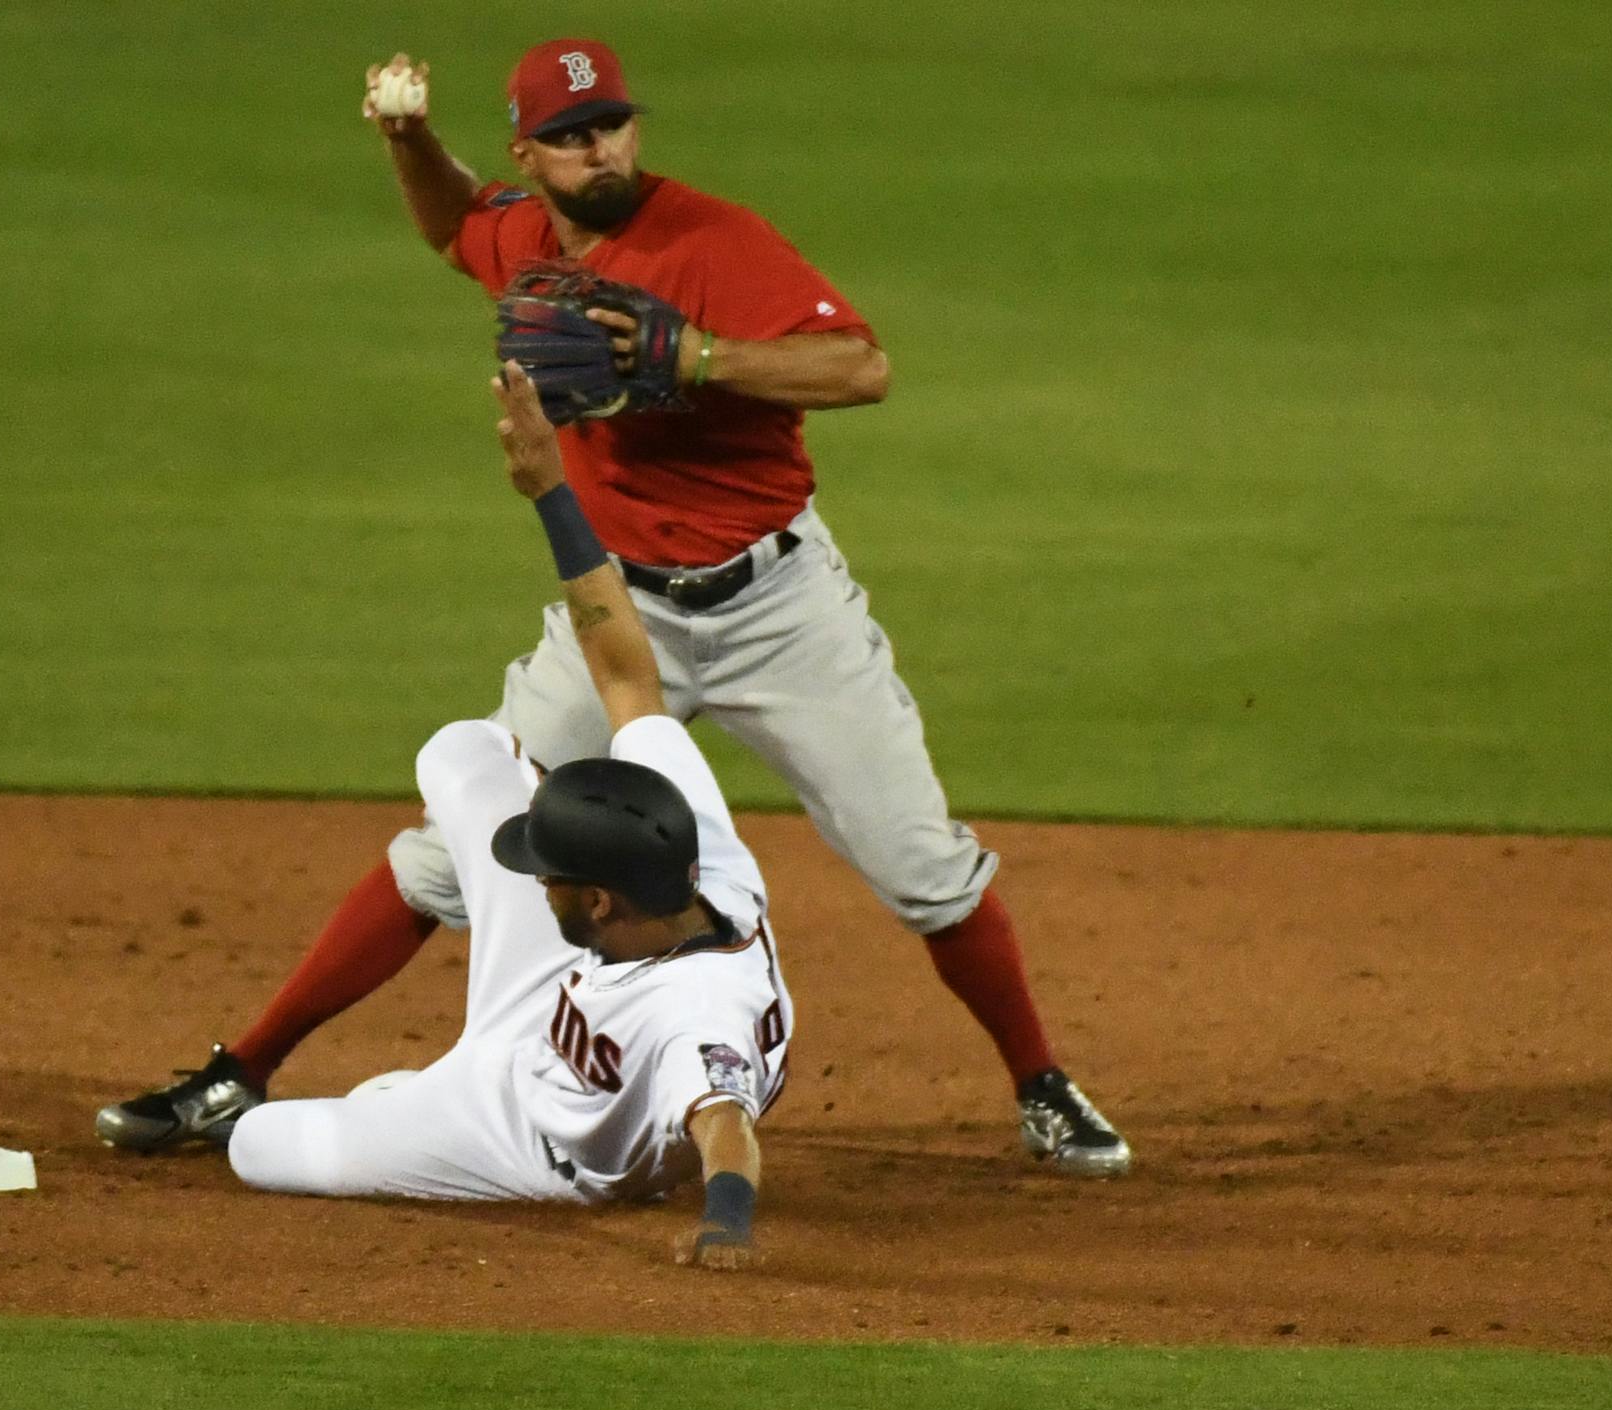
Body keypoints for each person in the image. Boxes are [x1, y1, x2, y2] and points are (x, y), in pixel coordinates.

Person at [99, 39, 1129, 1178]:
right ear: (528, 154)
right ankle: (243, 1066)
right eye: (572, 136)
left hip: (780, 605)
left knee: (922, 864)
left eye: (614, 126)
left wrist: (698, 357)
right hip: (615, 611)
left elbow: (859, 367)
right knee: (449, 860)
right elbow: (454, 227)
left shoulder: (713, 241)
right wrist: (406, 141)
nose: (601, 150)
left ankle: (1042, 1084)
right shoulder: (527, 243)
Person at [228, 361, 788, 1270]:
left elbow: (725, 1126)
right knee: (461, 753)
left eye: (546, 872)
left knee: (258, 1147)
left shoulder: (695, 1014)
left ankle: (405, 1107)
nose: (534, 873)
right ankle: (408, 1092)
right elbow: (624, 671)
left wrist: (727, 1223)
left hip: (525, 1138)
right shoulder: (700, 853)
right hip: (569, 987)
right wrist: (553, 493)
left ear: (598, 898)